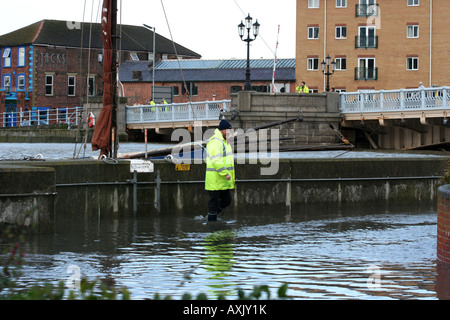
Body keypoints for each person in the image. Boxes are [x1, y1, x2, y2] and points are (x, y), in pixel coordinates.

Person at [205, 119, 235, 221]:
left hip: (221, 179)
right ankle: (211, 221)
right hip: (215, 178)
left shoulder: (223, 141)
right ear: (222, 130)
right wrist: (225, 173)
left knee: (227, 200)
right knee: (214, 201)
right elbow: (215, 159)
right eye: (228, 130)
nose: (229, 132)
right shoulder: (216, 142)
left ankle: (211, 216)